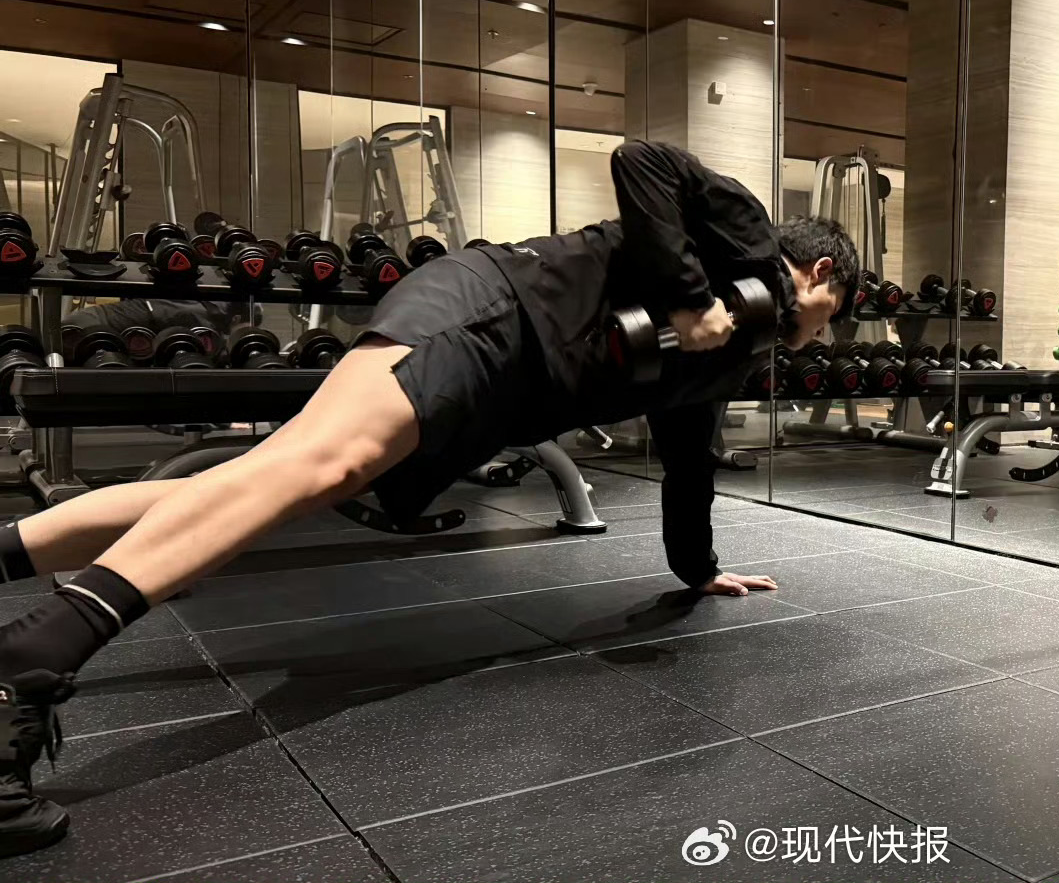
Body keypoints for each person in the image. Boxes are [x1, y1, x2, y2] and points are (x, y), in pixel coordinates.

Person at [0, 140, 858, 856]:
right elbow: (643, 159)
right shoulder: (747, 237)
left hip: (501, 371)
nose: (823, 332)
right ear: (822, 272)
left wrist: (697, 568)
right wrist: (690, 297)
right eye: (835, 312)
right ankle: (33, 657)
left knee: (263, 480)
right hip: (490, 308)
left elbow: (688, 455)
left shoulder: (735, 350)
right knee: (317, 468)